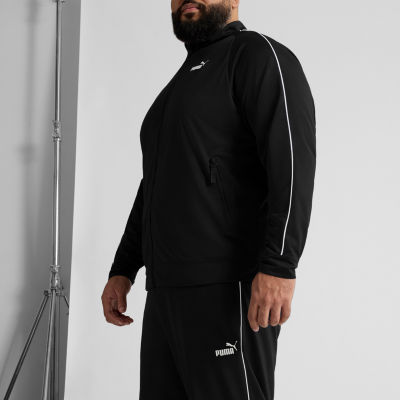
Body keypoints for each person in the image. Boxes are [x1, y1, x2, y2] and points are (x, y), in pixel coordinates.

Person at [101, 1, 316, 398]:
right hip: (165, 295)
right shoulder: (177, 87)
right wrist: (124, 268)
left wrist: (280, 265)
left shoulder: (256, 55)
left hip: (227, 288)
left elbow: (293, 162)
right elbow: (155, 184)